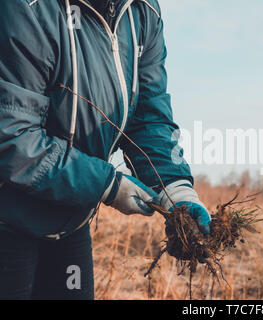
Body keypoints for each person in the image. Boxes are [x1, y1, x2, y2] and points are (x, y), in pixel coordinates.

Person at [0, 0, 210, 300]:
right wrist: (106, 184)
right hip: (7, 220)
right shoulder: (28, 8)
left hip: (71, 219)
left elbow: (149, 117)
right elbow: (12, 136)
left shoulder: (143, 12)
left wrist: (176, 190)